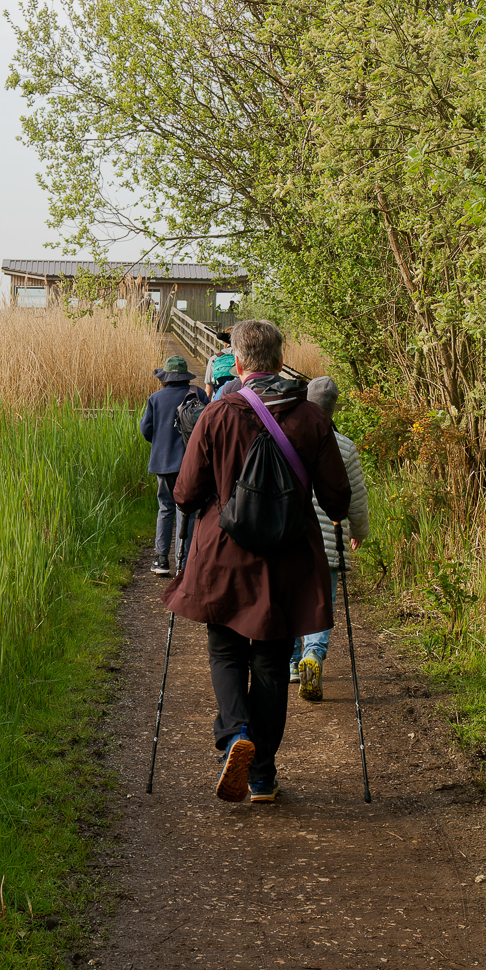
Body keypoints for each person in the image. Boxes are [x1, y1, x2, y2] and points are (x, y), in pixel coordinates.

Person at [165, 320, 351, 804]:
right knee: (270, 662)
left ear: (239, 362)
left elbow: (184, 494)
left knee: (226, 649)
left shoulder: (218, 413)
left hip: (223, 557)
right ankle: (263, 777)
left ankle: (235, 734)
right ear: (280, 357)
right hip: (286, 560)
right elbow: (337, 499)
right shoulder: (311, 417)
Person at [290, 376, 371, 702]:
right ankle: (314, 656)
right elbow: (357, 498)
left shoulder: (287, 435)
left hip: (291, 537)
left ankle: (294, 663)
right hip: (330, 540)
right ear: (334, 406)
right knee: (322, 604)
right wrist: (360, 531)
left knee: (292, 600)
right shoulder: (346, 446)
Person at [139, 355, 205, 575]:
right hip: (191, 463)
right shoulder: (198, 394)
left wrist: (160, 443)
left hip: (163, 461)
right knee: (187, 511)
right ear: (185, 376)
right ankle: (183, 564)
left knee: (165, 507)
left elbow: (146, 429)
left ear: (166, 377)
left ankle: (161, 560)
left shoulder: (155, 398)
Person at [204, 330, 238, 399]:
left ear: (225, 344)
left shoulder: (214, 359)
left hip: (219, 401)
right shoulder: (245, 358)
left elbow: (208, 391)